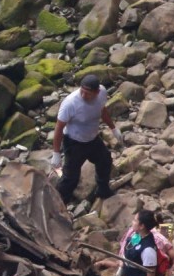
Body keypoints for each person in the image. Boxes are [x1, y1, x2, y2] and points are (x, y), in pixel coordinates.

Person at [50, 74, 123, 202]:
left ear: (96, 92)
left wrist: (113, 128)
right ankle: (59, 203)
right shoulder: (70, 103)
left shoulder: (102, 93)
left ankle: (103, 189)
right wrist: (56, 153)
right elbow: (59, 128)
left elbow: (102, 110)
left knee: (105, 161)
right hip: (74, 142)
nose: (84, 96)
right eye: (82, 92)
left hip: (93, 139)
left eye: (88, 93)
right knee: (71, 177)